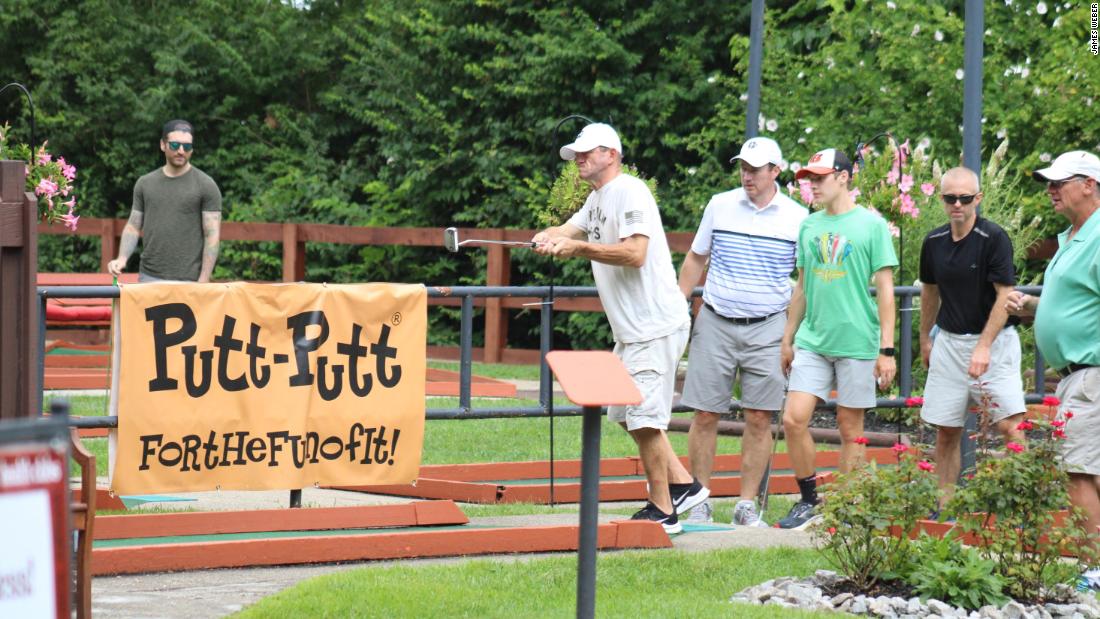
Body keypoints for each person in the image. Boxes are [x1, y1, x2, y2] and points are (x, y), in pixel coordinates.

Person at [533, 123, 706, 534]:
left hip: (655, 325)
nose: (579, 158)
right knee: (622, 413)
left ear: (611, 153)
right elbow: (567, 231)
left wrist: (578, 248)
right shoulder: (597, 199)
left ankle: (663, 509)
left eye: (586, 152)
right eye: (576, 153)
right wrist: (547, 236)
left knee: (645, 417)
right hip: (631, 332)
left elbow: (635, 253)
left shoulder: (630, 191)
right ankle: (684, 485)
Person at [676, 137, 808, 526]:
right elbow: (696, 257)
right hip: (715, 319)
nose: (747, 175)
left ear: (775, 172)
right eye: (743, 168)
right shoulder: (720, 204)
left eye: (755, 169)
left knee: (759, 416)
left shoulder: (797, 217)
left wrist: (791, 332)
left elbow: (802, 280)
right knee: (704, 412)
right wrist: (680, 304)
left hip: (768, 325)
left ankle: (746, 504)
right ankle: (699, 497)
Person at [777, 148, 898, 530]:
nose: (812, 185)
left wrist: (887, 351)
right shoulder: (809, 226)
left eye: (820, 177)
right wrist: (788, 337)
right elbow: (802, 286)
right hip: (813, 340)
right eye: (809, 179)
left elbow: (887, 292)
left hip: (858, 342)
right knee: (794, 419)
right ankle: (809, 499)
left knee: (851, 429)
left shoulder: (871, 226)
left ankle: (844, 506)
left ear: (844, 177)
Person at [1006, 150, 1100, 589]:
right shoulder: (1073, 236)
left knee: (1078, 471)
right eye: (1049, 181)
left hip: (1091, 375)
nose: (1051, 188)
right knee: (1084, 470)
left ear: (1089, 184)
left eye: (1060, 181)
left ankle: (1093, 571)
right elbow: (1078, 305)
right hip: (1078, 376)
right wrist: (1032, 307)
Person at [918, 167, 1026, 505]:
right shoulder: (933, 241)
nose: (958, 205)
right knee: (946, 430)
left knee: (1011, 426)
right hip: (949, 341)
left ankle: (1019, 505)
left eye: (965, 198)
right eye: (951, 198)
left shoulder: (993, 238)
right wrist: (925, 337)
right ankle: (943, 510)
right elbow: (930, 292)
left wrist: (983, 346)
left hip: (994, 342)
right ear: (942, 200)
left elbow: (1005, 296)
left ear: (978, 198)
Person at [107, 119, 222, 282]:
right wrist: (121, 259)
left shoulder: (206, 185)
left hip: (189, 281)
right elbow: (133, 226)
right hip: (149, 277)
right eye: (175, 145)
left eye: (187, 146)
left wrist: (203, 280)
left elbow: (212, 235)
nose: (181, 151)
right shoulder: (145, 183)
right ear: (163, 145)